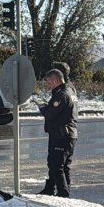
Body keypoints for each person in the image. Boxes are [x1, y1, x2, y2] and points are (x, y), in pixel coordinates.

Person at [37, 68, 78, 197]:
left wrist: (43, 108)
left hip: (61, 134)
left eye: (49, 83)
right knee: (60, 165)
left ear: (55, 80)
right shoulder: (70, 90)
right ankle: (50, 189)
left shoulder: (61, 94)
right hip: (68, 133)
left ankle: (63, 194)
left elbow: (51, 114)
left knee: (57, 166)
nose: (48, 86)